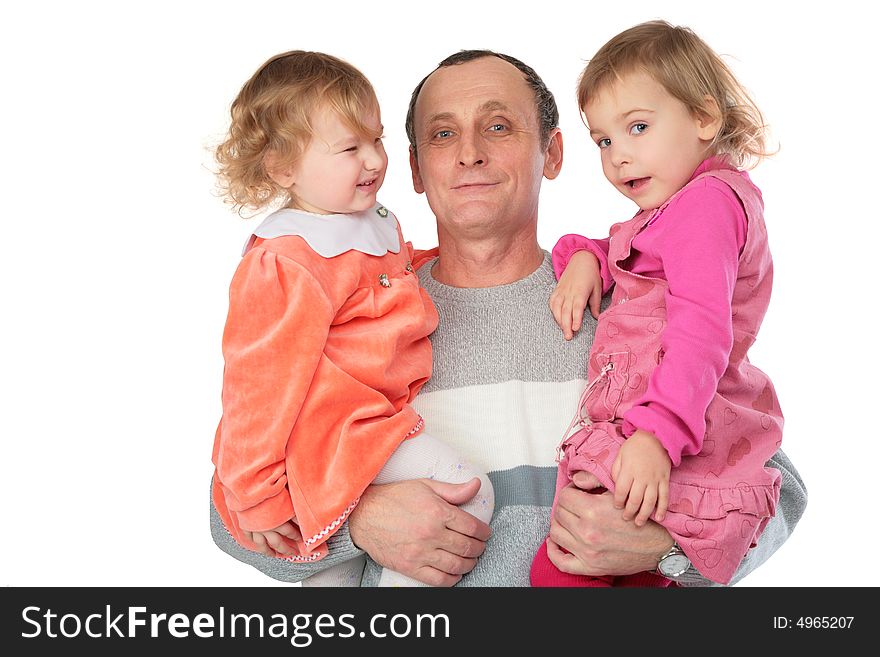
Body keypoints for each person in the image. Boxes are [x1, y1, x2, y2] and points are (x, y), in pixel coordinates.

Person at [209, 49, 807, 587]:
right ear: (414, 171)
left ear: (552, 153)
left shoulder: (634, 305)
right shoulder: (365, 316)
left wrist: (664, 549)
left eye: (498, 126)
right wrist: (356, 524)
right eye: (443, 135)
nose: (470, 153)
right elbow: (230, 508)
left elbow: (777, 487)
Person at [210, 50, 493, 588]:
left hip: (364, 427)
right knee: (466, 490)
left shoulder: (365, 224)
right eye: (349, 147)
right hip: (336, 437)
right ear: (282, 168)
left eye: (377, 139)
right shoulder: (287, 260)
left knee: (334, 579)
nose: (375, 160)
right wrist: (256, 493)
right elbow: (256, 385)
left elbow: (387, 284)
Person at [530, 21, 783, 588]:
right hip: (655, 429)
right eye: (603, 140)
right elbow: (627, 248)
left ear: (704, 117)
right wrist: (585, 257)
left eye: (637, 127)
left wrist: (656, 434)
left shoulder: (705, 206)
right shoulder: (677, 208)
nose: (618, 158)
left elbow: (701, 331)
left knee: (561, 572)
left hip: (671, 429)